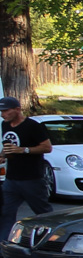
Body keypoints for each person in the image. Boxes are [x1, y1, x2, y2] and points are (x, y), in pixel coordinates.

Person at [1, 95, 54, 240]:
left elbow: (47, 147)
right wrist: (2, 155)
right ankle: (4, 245)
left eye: (6, 111)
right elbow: (8, 145)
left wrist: (23, 150)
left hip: (31, 178)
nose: (3, 114)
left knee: (43, 212)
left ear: (17, 109)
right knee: (5, 212)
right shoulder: (5, 125)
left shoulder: (32, 126)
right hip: (11, 179)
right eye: (1, 111)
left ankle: (53, 239)